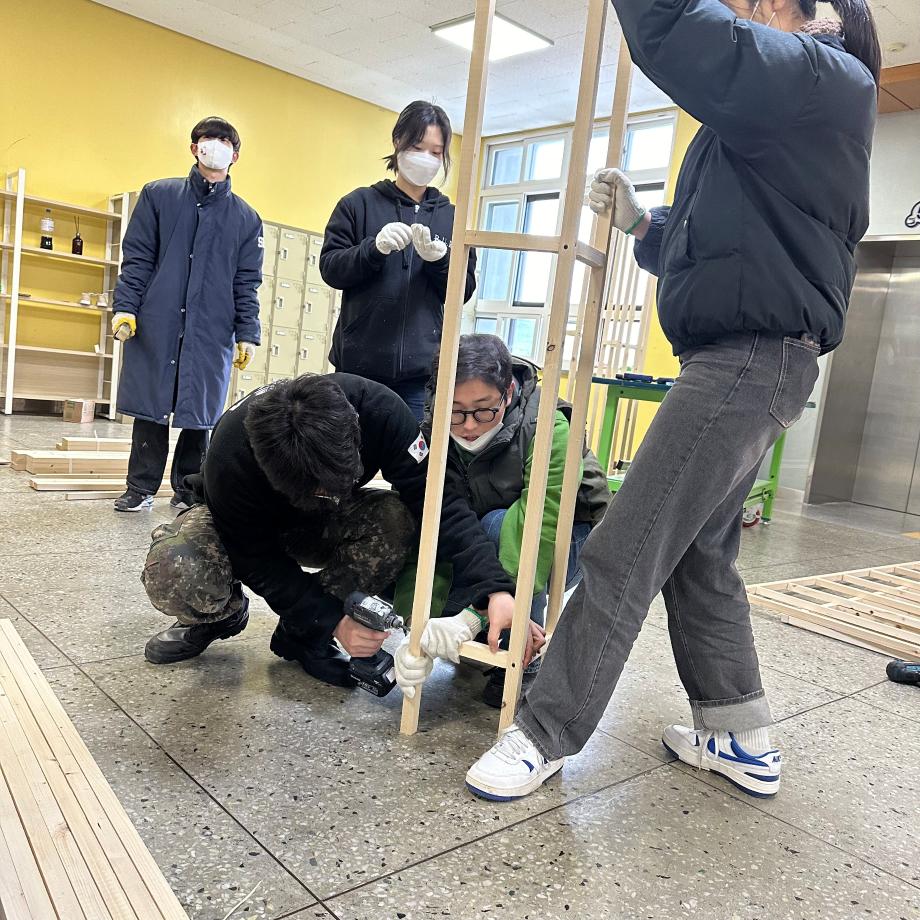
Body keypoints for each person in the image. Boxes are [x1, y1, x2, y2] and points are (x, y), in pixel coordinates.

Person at [466, 0, 880, 801]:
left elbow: (685, 35)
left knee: (628, 544)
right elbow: (727, 243)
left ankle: (545, 733)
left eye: (751, 4)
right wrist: (642, 227)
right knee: (699, 555)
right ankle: (741, 736)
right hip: (757, 360)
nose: (741, 11)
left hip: (745, 360)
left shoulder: (820, 76)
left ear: (796, 8)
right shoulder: (800, 102)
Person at [140, 373, 520, 687]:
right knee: (177, 564)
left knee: (393, 518)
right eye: (317, 489)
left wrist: (493, 586)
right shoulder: (230, 457)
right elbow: (255, 559)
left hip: (323, 523)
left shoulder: (380, 412)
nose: (327, 493)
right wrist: (334, 622)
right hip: (247, 525)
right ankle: (221, 614)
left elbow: (439, 504)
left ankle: (300, 635)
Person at [393, 334, 611, 707]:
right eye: (455, 411)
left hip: (563, 542)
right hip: (486, 541)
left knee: (497, 525)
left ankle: (519, 652)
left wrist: (476, 613)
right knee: (420, 534)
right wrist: (417, 630)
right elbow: (435, 525)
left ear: (507, 392)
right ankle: (491, 626)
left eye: (483, 410)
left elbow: (543, 523)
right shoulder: (432, 432)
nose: (468, 426)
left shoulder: (548, 426)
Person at [111, 116, 262, 513]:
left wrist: (247, 331)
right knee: (151, 406)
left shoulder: (246, 219)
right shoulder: (158, 196)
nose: (216, 146)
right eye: (208, 139)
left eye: (225, 141)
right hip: (159, 320)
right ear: (194, 148)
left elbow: (247, 282)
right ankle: (140, 487)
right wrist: (125, 307)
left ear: (236, 155)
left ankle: (190, 490)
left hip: (211, 328)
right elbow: (138, 258)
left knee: (200, 413)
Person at [319, 101, 476, 423]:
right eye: (417, 147)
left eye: (436, 152)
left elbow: (463, 290)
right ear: (397, 142)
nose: (426, 158)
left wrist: (440, 262)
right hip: (357, 368)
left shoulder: (453, 219)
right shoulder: (358, 204)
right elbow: (331, 268)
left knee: (412, 453)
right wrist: (372, 249)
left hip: (420, 376)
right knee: (346, 451)